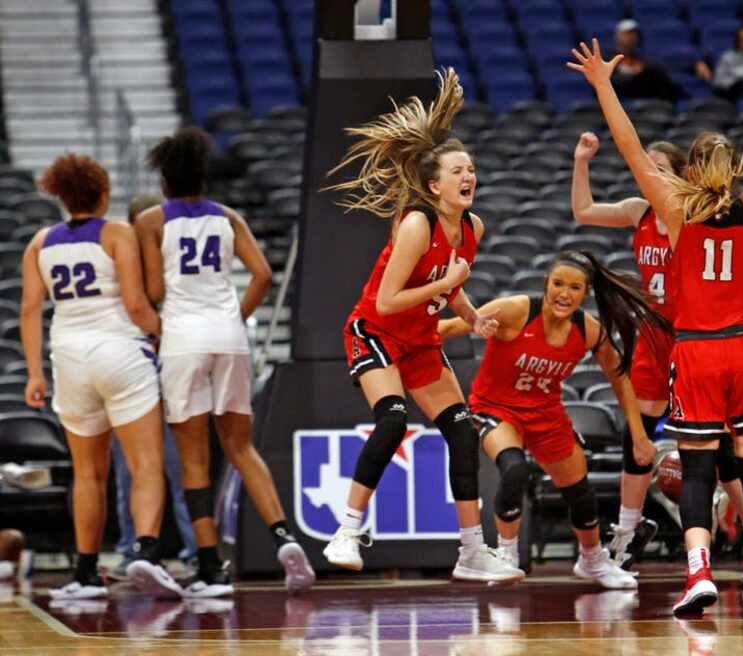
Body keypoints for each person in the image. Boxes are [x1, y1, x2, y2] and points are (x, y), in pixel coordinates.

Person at [567, 21, 743, 614]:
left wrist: (604, 86)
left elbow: (626, 146)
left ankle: (698, 571)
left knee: (697, 467)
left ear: (691, 173)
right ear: (731, 169)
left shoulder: (674, 210)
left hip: (699, 349)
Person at [321, 69, 523, 582]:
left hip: (419, 342)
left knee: (461, 430)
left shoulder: (472, 227)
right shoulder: (417, 223)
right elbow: (388, 302)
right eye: (458, 169)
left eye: (472, 168)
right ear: (435, 185)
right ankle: (346, 529)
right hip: (375, 332)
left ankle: (472, 552)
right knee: (391, 420)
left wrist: (473, 317)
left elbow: (449, 285)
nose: (468, 175)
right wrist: (445, 286)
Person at [571, 133, 743, 586]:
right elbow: (583, 211)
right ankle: (625, 534)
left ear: (680, 176)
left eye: (661, 168)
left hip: (700, 335)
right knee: (636, 437)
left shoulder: (692, 214)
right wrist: (582, 162)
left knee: (725, 451)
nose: (650, 174)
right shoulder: (640, 211)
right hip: (655, 338)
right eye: (648, 167)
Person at [135, 128, 315, 597]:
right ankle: (283, 537)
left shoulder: (152, 222)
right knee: (241, 447)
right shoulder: (228, 216)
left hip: (183, 339)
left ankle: (211, 568)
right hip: (230, 338)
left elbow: (154, 292)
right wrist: (235, 317)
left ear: (164, 179)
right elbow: (263, 274)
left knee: (194, 460)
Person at [438, 251, 665, 588]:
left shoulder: (587, 329)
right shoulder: (515, 310)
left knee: (581, 493)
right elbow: (447, 328)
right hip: (497, 408)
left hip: (546, 413)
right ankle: (506, 554)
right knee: (513, 469)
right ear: (546, 284)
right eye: (558, 284)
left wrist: (639, 434)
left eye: (574, 287)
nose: (564, 293)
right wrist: (397, 338)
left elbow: (619, 377)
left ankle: (592, 560)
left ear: (584, 294)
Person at [20, 154, 182, 600]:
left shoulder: (39, 243)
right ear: (103, 193)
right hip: (118, 350)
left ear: (62, 197)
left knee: (87, 473)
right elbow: (134, 303)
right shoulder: (117, 233)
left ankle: (86, 573)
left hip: (68, 356)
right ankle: (146, 554)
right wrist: (165, 331)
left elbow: (31, 309)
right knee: (145, 463)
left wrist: (34, 373)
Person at [109, 194, 198, 582]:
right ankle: (133, 551)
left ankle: (196, 553)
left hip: (170, 375)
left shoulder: (178, 267)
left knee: (182, 474)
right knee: (131, 474)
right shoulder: (116, 269)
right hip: (131, 374)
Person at [610, 19, 681, 103]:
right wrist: (630, 72)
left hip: (645, 98)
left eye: (634, 34)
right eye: (628, 33)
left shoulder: (643, 59)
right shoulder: (608, 58)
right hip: (619, 99)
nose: (632, 37)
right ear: (618, 36)